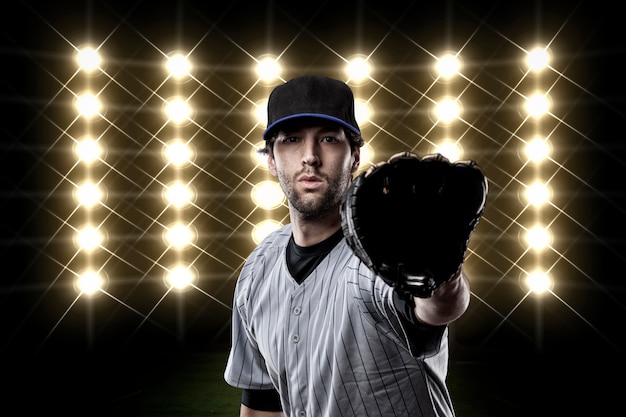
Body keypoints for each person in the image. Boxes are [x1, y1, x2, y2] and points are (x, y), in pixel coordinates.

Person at [224, 75, 473, 417]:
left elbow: (436, 309)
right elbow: (262, 404)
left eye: (328, 139)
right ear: (270, 159)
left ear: (355, 156)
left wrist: (443, 276)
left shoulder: (384, 250)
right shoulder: (257, 269)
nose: (309, 156)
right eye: (292, 139)